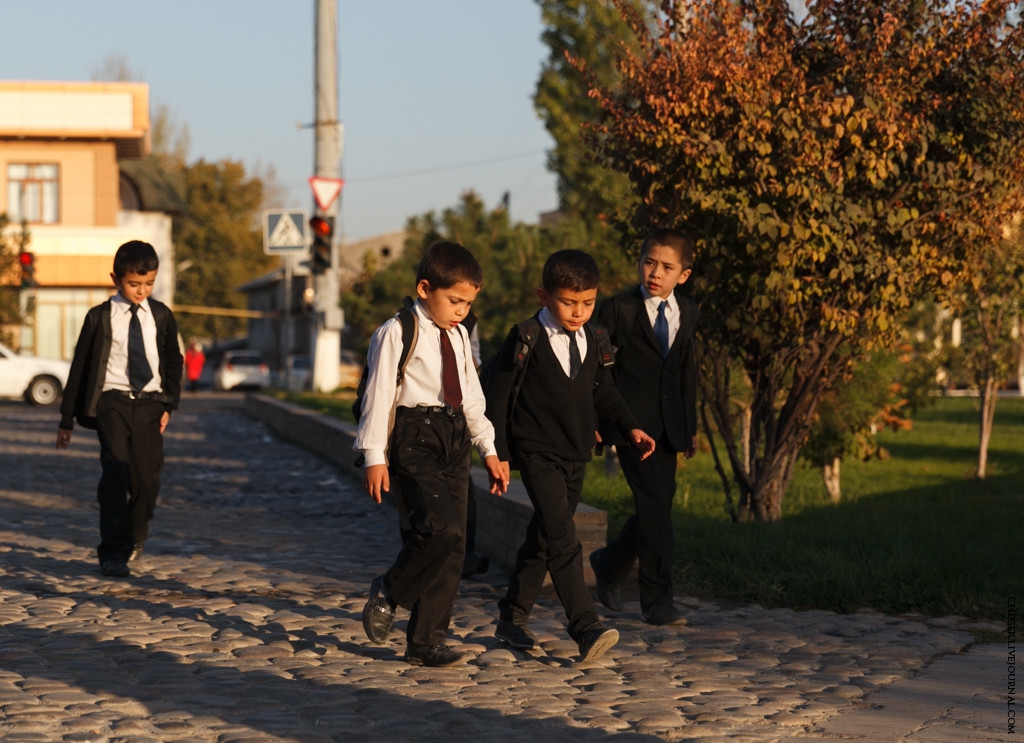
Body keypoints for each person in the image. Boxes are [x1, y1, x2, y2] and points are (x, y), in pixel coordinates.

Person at [485, 249, 656, 662]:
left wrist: (631, 427)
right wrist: (498, 453)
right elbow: (499, 398)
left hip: (577, 452)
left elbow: (605, 392)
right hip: (536, 453)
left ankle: (512, 616)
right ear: (544, 296)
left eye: (588, 302)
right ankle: (585, 625)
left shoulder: (595, 339)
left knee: (544, 537)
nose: (579, 312)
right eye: (568, 302)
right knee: (563, 537)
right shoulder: (525, 337)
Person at [354, 241, 508, 668]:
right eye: (454, 300)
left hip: (454, 439)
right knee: (440, 529)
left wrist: (489, 449)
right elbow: (378, 395)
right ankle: (389, 590)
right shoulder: (397, 330)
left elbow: (472, 398)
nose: (462, 311)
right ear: (425, 288)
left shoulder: (458, 335)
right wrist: (374, 455)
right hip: (414, 437)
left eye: (469, 303)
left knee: (455, 546)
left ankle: (426, 641)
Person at [589, 227, 699, 626]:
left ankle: (609, 565)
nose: (655, 272)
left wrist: (691, 426)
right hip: (631, 427)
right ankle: (656, 601)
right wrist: (598, 421)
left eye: (667, 267)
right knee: (655, 508)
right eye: (649, 262)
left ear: (683, 275)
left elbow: (686, 370)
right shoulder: (619, 309)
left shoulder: (689, 312)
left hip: (670, 428)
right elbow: (596, 370)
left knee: (658, 506)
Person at [56, 240, 184, 579]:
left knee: (147, 481)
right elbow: (80, 367)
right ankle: (112, 551)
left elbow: (174, 362)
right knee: (115, 475)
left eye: (149, 283)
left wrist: (169, 403)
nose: (141, 291)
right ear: (116, 279)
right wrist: (66, 418)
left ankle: (136, 533)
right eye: (134, 284)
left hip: (151, 405)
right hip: (112, 403)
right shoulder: (99, 318)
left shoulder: (161, 316)